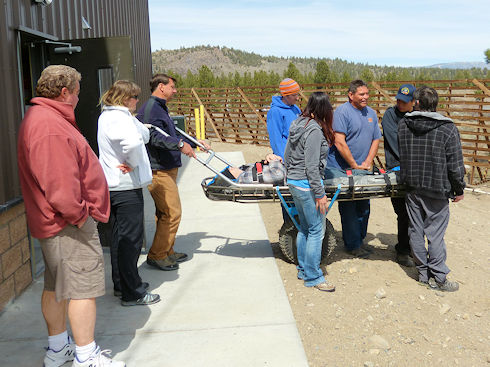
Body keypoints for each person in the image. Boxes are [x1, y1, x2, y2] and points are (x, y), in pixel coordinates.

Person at [17, 65, 125, 367]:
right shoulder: (49, 126)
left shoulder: (43, 118)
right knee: (82, 290)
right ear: (65, 92)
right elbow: (60, 185)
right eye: (77, 92)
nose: (79, 98)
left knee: (56, 287)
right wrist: (80, 216)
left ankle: (57, 350)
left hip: (56, 224)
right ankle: (86, 356)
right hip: (67, 225)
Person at [136, 74, 210, 271]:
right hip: (158, 170)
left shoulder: (160, 107)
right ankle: (158, 255)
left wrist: (194, 142)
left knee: (164, 213)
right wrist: (179, 144)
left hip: (167, 168)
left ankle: (167, 250)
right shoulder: (151, 110)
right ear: (161, 87)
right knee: (172, 212)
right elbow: (152, 137)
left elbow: (172, 134)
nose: (175, 91)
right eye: (172, 87)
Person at [97, 80, 160, 306]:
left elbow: (143, 134)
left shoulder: (112, 116)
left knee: (118, 238)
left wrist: (133, 120)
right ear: (125, 99)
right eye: (134, 97)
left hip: (114, 186)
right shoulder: (119, 118)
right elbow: (134, 143)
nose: (137, 101)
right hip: (125, 187)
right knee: (130, 241)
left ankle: (121, 284)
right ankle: (133, 292)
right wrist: (133, 163)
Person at [398, 86, 465, 292]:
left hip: (412, 187)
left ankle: (423, 274)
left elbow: (404, 155)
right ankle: (439, 278)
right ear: (436, 104)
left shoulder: (403, 124)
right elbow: (455, 164)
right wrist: (459, 188)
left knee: (415, 230)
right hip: (437, 188)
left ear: (416, 102)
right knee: (435, 234)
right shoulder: (447, 129)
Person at [284, 92, 336, 292]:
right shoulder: (314, 130)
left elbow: (287, 154)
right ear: (324, 109)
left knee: (305, 227)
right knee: (316, 230)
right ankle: (313, 276)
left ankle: (303, 269)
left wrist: (291, 177)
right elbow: (312, 166)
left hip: (295, 183)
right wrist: (320, 193)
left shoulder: (298, 123)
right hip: (307, 185)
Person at [326, 80, 382, 258]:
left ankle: (360, 240)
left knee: (364, 205)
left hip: (362, 168)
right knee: (349, 205)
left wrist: (367, 161)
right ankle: (352, 244)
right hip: (343, 169)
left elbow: (375, 139)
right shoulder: (342, 113)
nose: (366, 97)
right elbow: (339, 141)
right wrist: (353, 164)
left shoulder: (371, 113)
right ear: (351, 95)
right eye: (362, 94)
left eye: (367, 94)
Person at [381, 84, 416, 267]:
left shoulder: (418, 114)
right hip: (397, 169)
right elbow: (396, 143)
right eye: (398, 100)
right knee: (403, 213)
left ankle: (414, 248)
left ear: (413, 102)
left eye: (404, 101)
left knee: (418, 213)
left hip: (416, 169)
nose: (400, 104)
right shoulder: (390, 115)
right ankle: (403, 250)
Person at [266, 78, 302, 159]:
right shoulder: (275, 112)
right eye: (294, 95)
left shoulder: (295, 108)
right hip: (287, 157)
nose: (297, 98)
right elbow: (276, 139)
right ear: (285, 95)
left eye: (297, 94)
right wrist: (283, 159)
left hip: (298, 155)